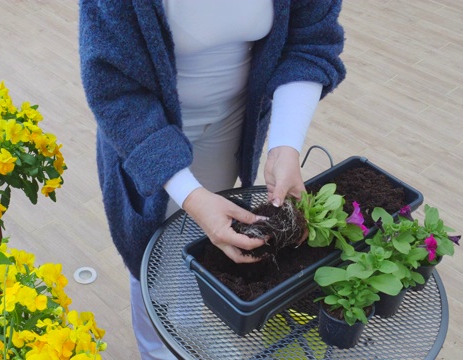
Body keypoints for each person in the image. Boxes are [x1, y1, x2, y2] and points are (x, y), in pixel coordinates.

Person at [79, 0, 346, 358]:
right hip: (146, 133)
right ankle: (155, 349)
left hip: (231, 121)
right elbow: (115, 90)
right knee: (150, 255)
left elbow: (310, 40)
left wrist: (286, 143)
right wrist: (188, 193)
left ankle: (187, 334)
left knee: (198, 243)